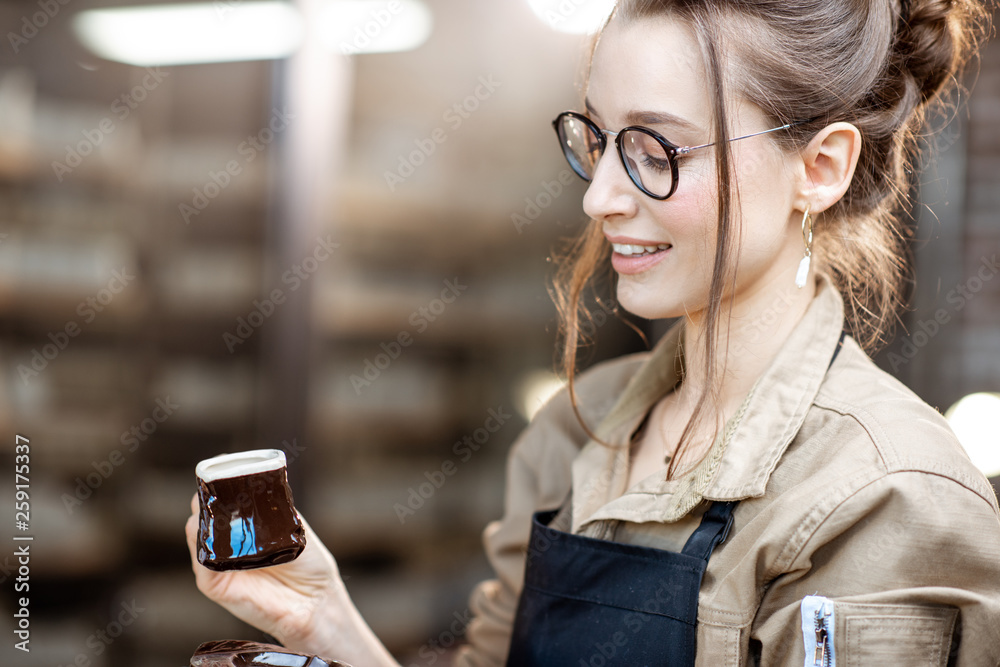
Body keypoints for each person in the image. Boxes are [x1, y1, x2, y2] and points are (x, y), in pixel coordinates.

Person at [185, 0, 1000, 664]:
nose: (601, 194)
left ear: (819, 168)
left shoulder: (885, 498)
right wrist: (328, 625)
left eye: (655, 148)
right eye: (600, 139)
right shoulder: (572, 432)